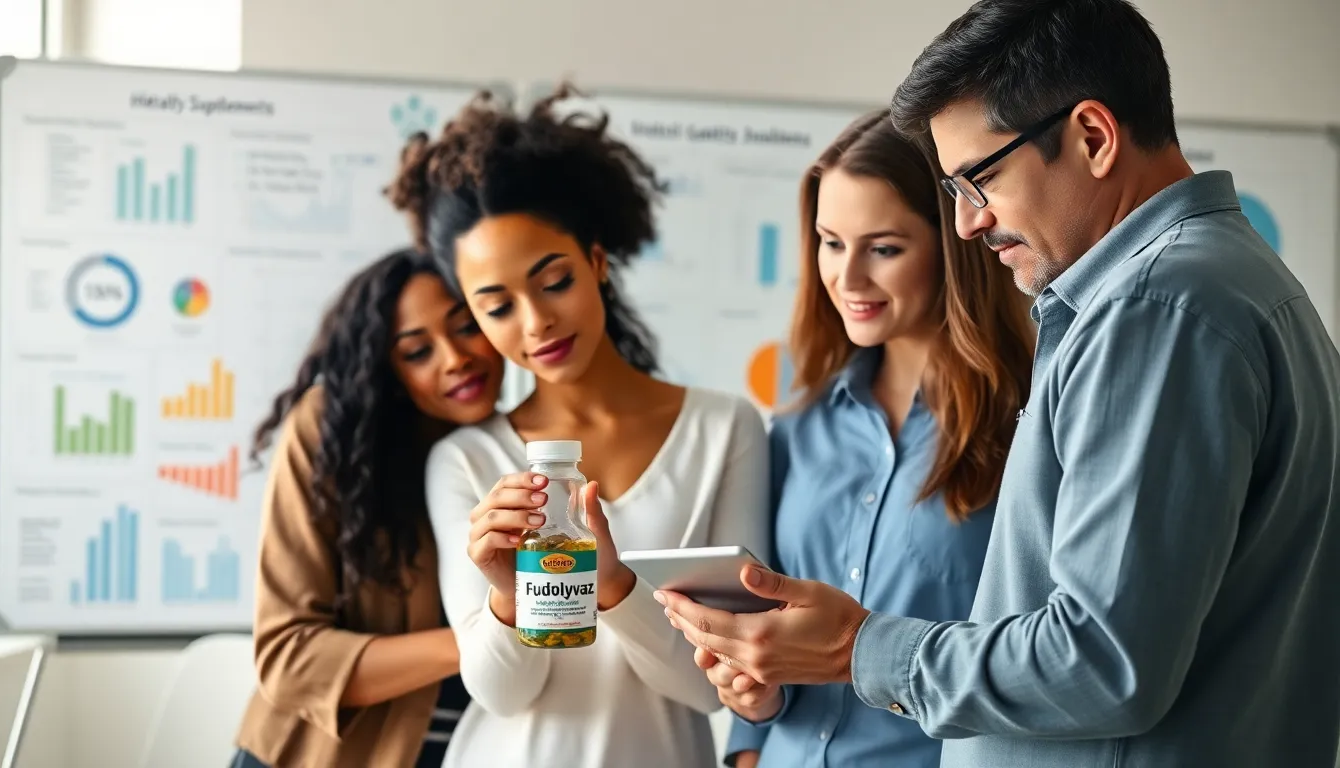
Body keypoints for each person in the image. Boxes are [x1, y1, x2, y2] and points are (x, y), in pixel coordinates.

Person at [656, 1, 1340, 767]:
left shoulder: (1153, 310)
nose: (968, 227)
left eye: (980, 180)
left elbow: (1103, 664)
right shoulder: (1230, 284)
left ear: (1092, 136)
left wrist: (859, 646)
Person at [388, 86, 770, 768]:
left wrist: (616, 588)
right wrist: (508, 595)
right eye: (497, 306)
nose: (535, 323)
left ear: (596, 262)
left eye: (553, 280)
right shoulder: (467, 462)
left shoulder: (724, 429)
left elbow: (713, 689)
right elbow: (502, 694)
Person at [714, 113, 1034, 768]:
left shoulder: (1026, 423)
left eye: (883, 248)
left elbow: (1041, 661)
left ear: (954, 248)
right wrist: (751, 702)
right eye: (831, 242)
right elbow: (771, 661)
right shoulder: (799, 424)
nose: (848, 278)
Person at [231, 248, 506, 768]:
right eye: (417, 351)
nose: (454, 359)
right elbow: (289, 659)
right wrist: (490, 635)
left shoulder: (520, 450)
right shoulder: (331, 434)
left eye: (466, 327)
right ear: (386, 367)